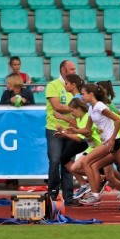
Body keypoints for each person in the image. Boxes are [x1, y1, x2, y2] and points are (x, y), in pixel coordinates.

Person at [45, 59, 76, 206]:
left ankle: (69, 197)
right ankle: (53, 193)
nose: (74, 71)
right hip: (54, 129)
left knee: (68, 163)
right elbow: (56, 106)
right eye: (72, 69)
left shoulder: (75, 86)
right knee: (55, 161)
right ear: (63, 71)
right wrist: (74, 109)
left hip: (71, 130)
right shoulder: (53, 85)